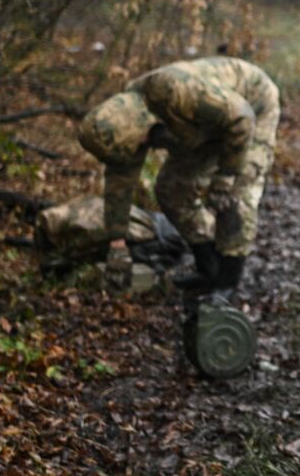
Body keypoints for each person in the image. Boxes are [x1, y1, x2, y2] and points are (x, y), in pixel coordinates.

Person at [78, 55, 280, 296]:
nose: (143, 147)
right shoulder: (122, 127)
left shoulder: (171, 91)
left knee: (235, 194)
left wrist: (226, 176)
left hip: (251, 106)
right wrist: (117, 245)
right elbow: (119, 186)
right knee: (171, 189)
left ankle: (227, 282)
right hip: (202, 130)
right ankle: (209, 268)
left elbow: (241, 119)